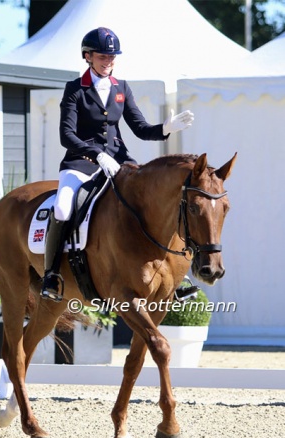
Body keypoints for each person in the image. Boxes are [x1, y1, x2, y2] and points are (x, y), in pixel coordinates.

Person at [41, 27, 197, 302]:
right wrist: (94, 152)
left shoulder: (121, 87)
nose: (108, 61)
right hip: (81, 163)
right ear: (87, 56)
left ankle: (177, 274)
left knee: (154, 203)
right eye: (103, 56)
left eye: (112, 57)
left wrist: (166, 127)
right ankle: (51, 274)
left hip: (119, 162)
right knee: (64, 206)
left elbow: (139, 128)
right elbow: (67, 135)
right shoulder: (75, 89)